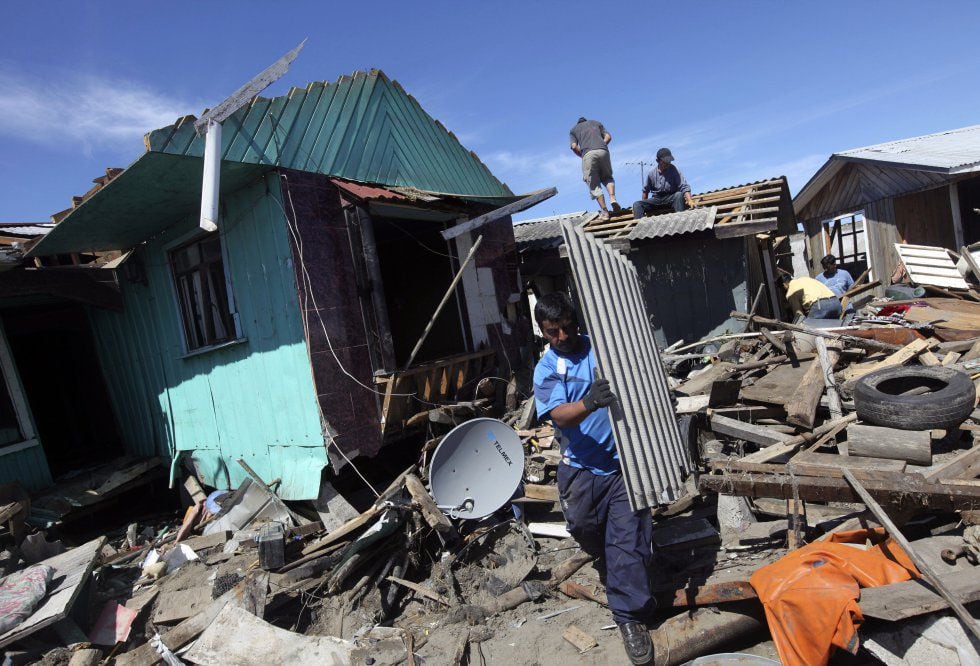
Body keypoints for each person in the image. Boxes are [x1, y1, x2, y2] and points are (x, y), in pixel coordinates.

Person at [532, 292, 655, 665]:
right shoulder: (547, 368)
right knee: (584, 528)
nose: (563, 337)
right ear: (543, 331)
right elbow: (559, 415)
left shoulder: (601, 348)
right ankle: (608, 553)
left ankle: (629, 616)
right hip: (581, 468)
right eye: (554, 332)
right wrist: (590, 402)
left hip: (623, 465)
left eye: (568, 328)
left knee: (626, 544)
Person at [569, 117, 619, 221]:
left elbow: (574, 146)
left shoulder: (574, 130)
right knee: (607, 177)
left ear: (578, 123)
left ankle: (605, 212)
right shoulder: (597, 123)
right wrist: (602, 144)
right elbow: (608, 137)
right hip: (603, 151)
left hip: (588, 154)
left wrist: (583, 154)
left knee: (594, 184)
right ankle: (612, 198)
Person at [632, 148, 694, 218]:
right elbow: (645, 191)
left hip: (671, 198)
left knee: (679, 195)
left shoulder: (674, 170)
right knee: (637, 205)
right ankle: (641, 227)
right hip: (657, 200)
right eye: (665, 161)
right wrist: (645, 206)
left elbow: (683, 186)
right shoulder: (651, 174)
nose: (668, 163)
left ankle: (681, 219)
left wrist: (690, 200)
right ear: (657, 161)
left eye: (669, 161)